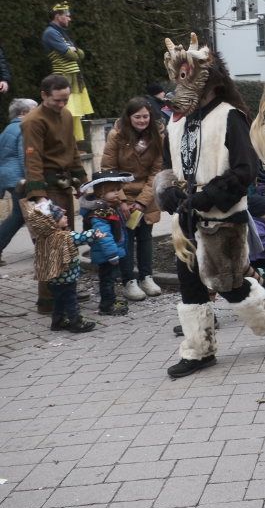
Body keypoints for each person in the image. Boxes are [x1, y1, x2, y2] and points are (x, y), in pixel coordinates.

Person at [154, 33, 265, 379]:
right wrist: (168, 191)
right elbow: (167, 166)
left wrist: (208, 195)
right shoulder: (176, 121)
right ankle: (199, 351)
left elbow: (245, 170)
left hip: (223, 218)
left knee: (228, 284)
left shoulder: (230, 116)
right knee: (190, 286)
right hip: (186, 219)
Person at [22, 75, 88, 313]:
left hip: (64, 185)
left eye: (65, 100)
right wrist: (40, 198)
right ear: (44, 95)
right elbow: (33, 160)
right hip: (47, 188)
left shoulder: (67, 115)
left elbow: (72, 150)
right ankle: (48, 300)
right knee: (50, 245)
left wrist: (83, 182)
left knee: (66, 241)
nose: (61, 104)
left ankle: (66, 291)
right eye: (57, 100)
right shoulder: (33, 121)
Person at [101, 97, 164, 301]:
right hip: (122, 192)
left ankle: (146, 277)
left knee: (145, 237)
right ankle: (129, 281)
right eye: (137, 116)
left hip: (147, 193)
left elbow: (156, 171)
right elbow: (108, 168)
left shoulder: (157, 135)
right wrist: (121, 201)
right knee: (125, 239)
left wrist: (142, 201)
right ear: (129, 117)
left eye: (146, 116)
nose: (142, 120)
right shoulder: (116, 136)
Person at [23, 198, 99, 333]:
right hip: (67, 277)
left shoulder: (43, 237)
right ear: (53, 222)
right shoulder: (64, 236)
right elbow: (81, 237)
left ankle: (57, 322)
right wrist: (94, 233)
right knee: (71, 301)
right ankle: (76, 322)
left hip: (54, 279)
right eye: (62, 217)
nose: (66, 217)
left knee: (59, 301)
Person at [80, 170, 134, 316]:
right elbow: (104, 236)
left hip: (110, 252)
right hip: (106, 254)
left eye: (117, 189)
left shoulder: (110, 208)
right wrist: (112, 254)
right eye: (112, 190)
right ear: (101, 193)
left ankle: (111, 301)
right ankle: (106, 306)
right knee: (107, 280)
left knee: (110, 279)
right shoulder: (100, 213)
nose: (117, 193)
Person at [42, 3, 93, 141]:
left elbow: (80, 54)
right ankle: (66, 142)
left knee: (75, 113)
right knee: (66, 110)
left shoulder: (61, 33)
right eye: (67, 16)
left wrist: (74, 50)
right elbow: (72, 55)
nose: (70, 19)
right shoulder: (51, 33)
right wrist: (74, 51)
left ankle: (74, 143)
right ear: (58, 16)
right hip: (63, 76)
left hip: (73, 77)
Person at [0, 98, 37, 265]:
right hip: (18, 178)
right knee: (21, 214)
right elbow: (25, 157)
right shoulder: (24, 128)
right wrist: (33, 179)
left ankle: (41, 246)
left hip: (8, 177)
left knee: (26, 213)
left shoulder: (8, 129)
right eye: (34, 110)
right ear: (23, 113)